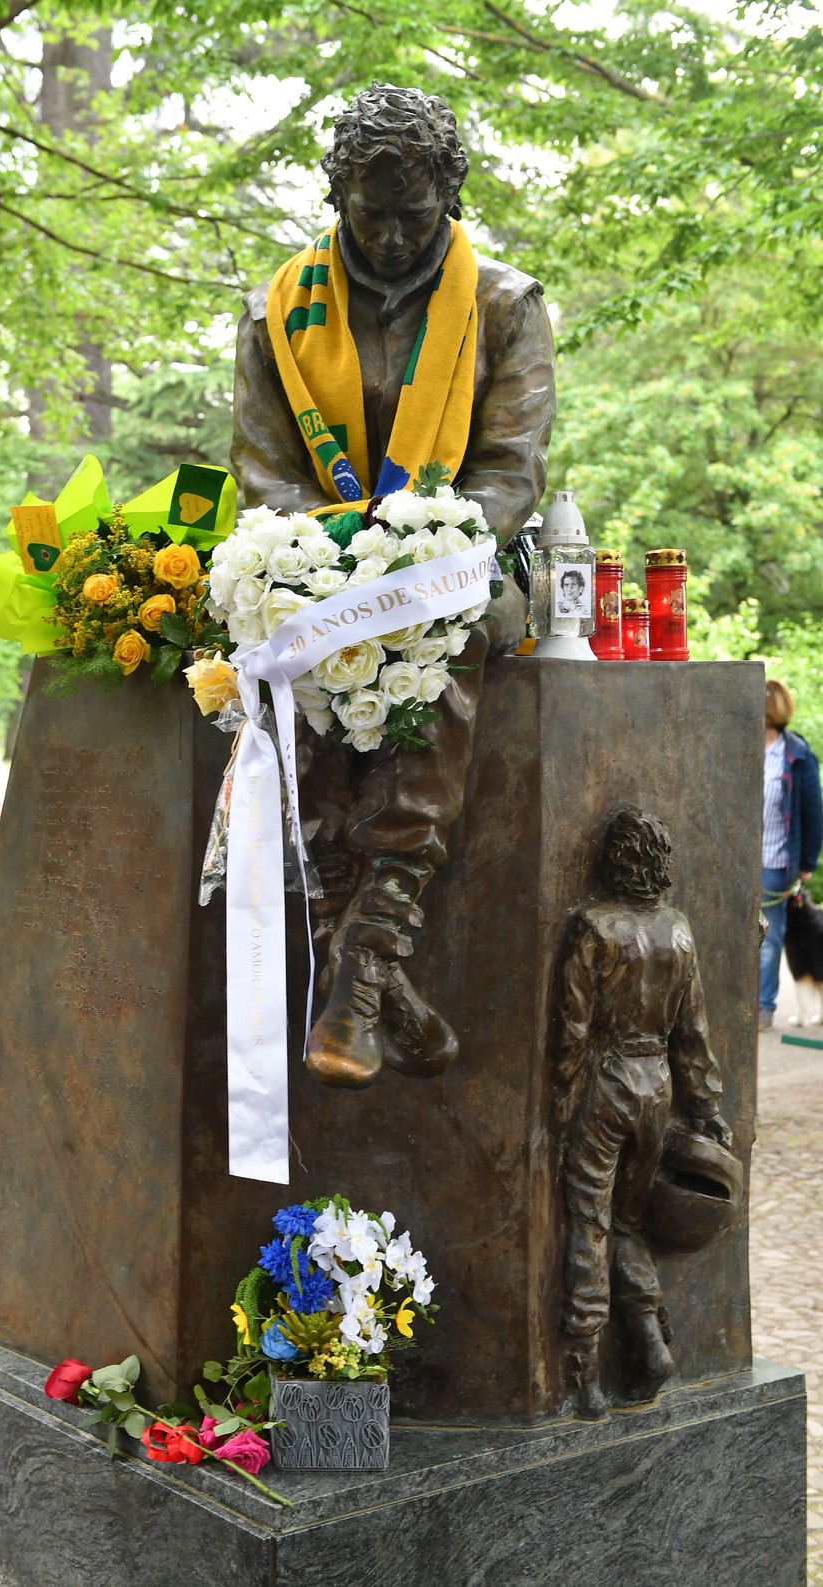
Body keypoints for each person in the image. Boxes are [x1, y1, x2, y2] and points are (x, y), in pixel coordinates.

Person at [231, 83, 555, 1089]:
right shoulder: (278, 309)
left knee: (441, 631)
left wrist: (421, 556)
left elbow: (511, 472)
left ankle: (359, 961)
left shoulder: (507, 303)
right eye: (368, 213)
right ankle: (366, 979)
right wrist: (332, 559)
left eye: (413, 216)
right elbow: (263, 470)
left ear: (450, 195)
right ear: (337, 193)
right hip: (318, 557)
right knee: (279, 633)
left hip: (472, 561)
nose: (388, 235)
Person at [554, 806, 733, 1418]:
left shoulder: (594, 927)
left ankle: (584, 1377)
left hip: (606, 1083)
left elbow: (573, 1029)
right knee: (626, 1221)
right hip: (656, 1085)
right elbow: (694, 1033)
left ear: (615, 861)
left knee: (590, 1220)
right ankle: (651, 1343)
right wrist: (705, 1107)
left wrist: (560, 1102)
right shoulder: (678, 931)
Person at [759, 679, 823, 1029]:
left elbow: (813, 811)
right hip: (739, 861)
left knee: (768, 937)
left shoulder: (797, 755)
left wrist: (807, 863)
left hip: (777, 861)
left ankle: (763, 1008)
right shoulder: (740, 746)